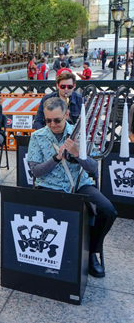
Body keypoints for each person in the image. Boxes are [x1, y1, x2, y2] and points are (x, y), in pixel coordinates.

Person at [28, 97, 116, 278]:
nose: (52, 124)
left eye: (57, 120)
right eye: (48, 120)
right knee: (66, 214)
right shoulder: (37, 136)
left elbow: (93, 168)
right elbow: (35, 172)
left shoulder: (79, 134)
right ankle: (64, 254)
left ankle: (90, 252)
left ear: (67, 115)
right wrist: (55, 159)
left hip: (79, 183)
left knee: (108, 210)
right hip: (50, 186)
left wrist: (77, 154)